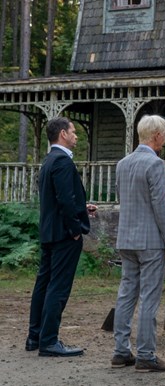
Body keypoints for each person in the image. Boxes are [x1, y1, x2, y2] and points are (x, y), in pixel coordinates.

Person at [112, 115, 165, 372]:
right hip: (149, 240)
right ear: (157, 136)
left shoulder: (123, 163)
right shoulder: (155, 164)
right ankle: (146, 354)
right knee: (149, 296)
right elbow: (160, 207)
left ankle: (120, 351)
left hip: (126, 237)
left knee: (126, 293)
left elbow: (125, 197)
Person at [26, 117, 92, 357]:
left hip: (49, 231)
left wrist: (83, 209)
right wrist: (75, 229)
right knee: (58, 286)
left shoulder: (48, 161)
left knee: (43, 284)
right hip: (64, 234)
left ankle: (35, 336)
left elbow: (56, 198)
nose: (76, 136)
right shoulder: (63, 161)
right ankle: (49, 340)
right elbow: (65, 199)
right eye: (73, 132)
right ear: (63, 133)